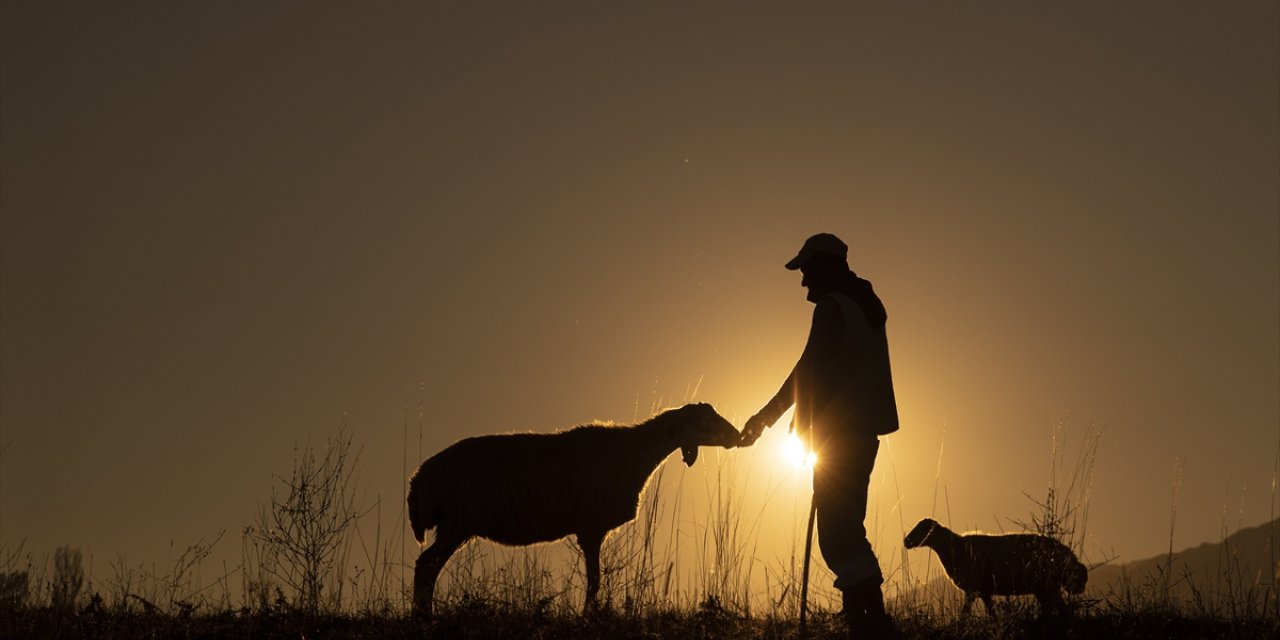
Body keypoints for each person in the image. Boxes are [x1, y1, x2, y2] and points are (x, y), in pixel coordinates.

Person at [740, 232, 900, 639]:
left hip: (840, 433)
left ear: (825, 266)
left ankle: (871, 619)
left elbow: (809, 369)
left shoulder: (832, 308)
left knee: (837, 529)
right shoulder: (865, 307)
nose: (803, 281)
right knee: (845, 524)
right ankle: (861, 615)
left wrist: (767, 417)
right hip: (861, 431)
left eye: (807, 270)